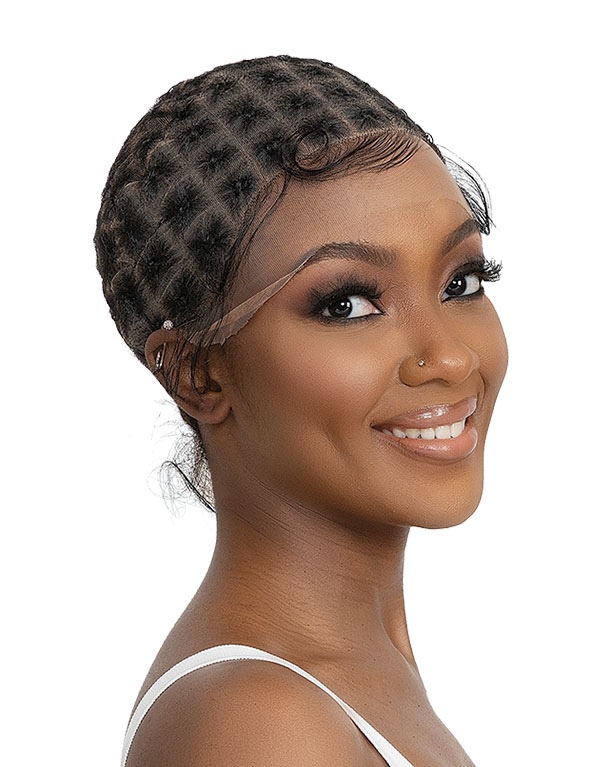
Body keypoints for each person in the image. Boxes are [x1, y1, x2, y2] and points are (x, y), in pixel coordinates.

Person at [94, 54, 508, 767]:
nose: (449, 356)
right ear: (197, 373)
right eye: (346, 304)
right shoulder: (258, 724)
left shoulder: (347, 678)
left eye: (461, 281)